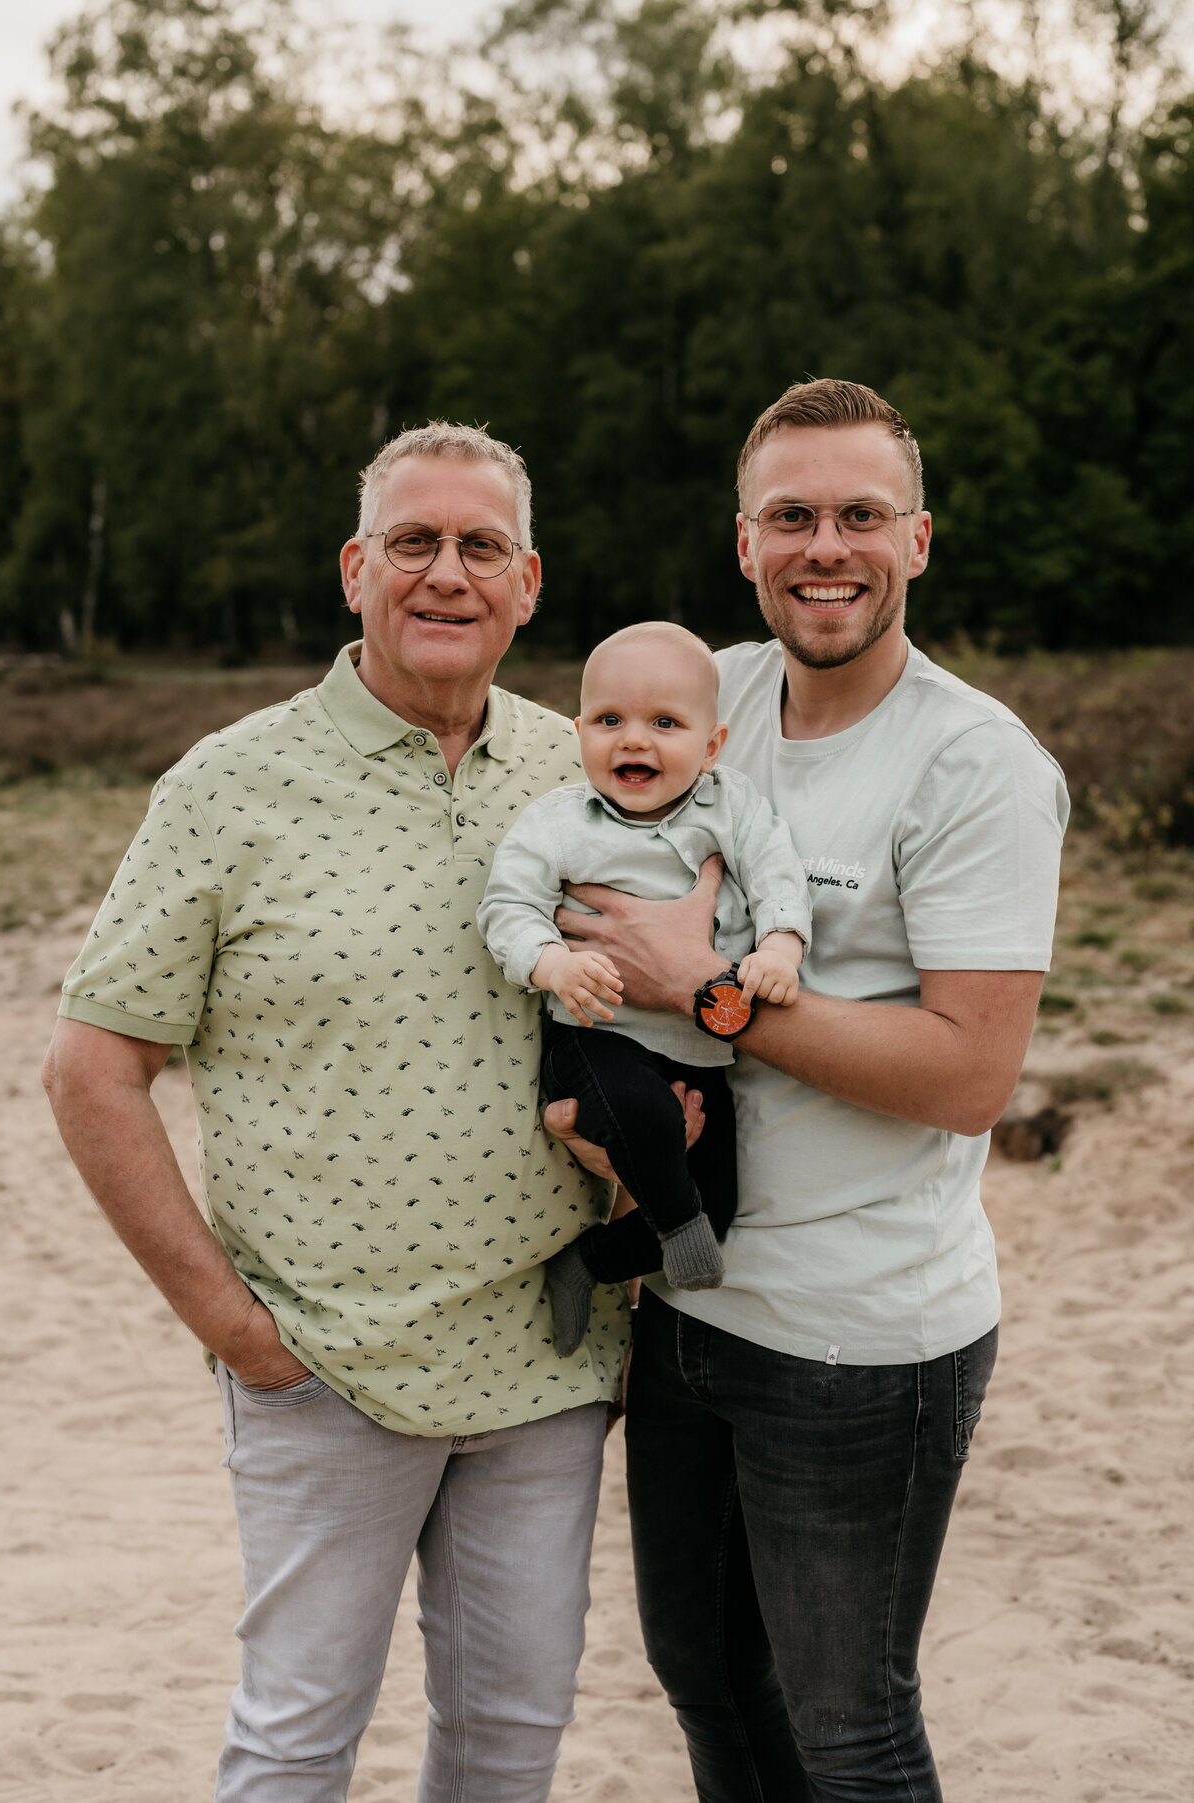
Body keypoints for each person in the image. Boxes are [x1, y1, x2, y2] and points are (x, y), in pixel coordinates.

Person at [41, 423, 634, 1803]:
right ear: (356, 569)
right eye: (414, 542)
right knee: (296, 1743)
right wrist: (238, 1333)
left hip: (548, 1366)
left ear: (529, 582)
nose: (447, 572)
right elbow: (91, 1067)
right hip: (321, 1369)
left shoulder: (588, 773)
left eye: (480, 545)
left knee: (509, 1740)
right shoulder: (229, 785)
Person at [544, 378, 1070, 1801]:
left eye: (859, 514)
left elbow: (970, 1074)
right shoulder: (702, 704)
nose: (824, 544)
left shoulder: (975, 767)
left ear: (919, 539)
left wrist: (701, 994)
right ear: (743, 542)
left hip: (861, 1340)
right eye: (793, 515)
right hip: (690, 1302)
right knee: (706, 1680)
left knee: (851, 1730)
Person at [478, 620, 811, 1355]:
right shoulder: (559, 821)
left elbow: (778, 874)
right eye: (609, 720)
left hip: (702, 1046)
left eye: (665, 722)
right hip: (597, 1033)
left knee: (715, 1208)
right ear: (580, 733)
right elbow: (507, 906)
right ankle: (678, 1225)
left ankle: (587, 1261)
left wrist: (780, 946)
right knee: (644, 1117)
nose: (634, 739)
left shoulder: (733, 807)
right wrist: (552, 963)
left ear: (712, 745)